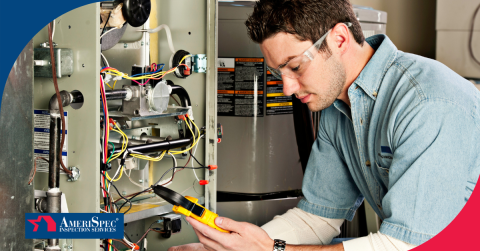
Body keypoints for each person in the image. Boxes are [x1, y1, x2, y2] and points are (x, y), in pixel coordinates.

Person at [169, 0, 480, 250]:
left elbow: (406, 245)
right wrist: (234, 246)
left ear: (340, 38)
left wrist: (271, 250)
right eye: (279, 72)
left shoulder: (427, 102)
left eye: (295, 66)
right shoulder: (337, 104)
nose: (287, 88)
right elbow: (318, 218)